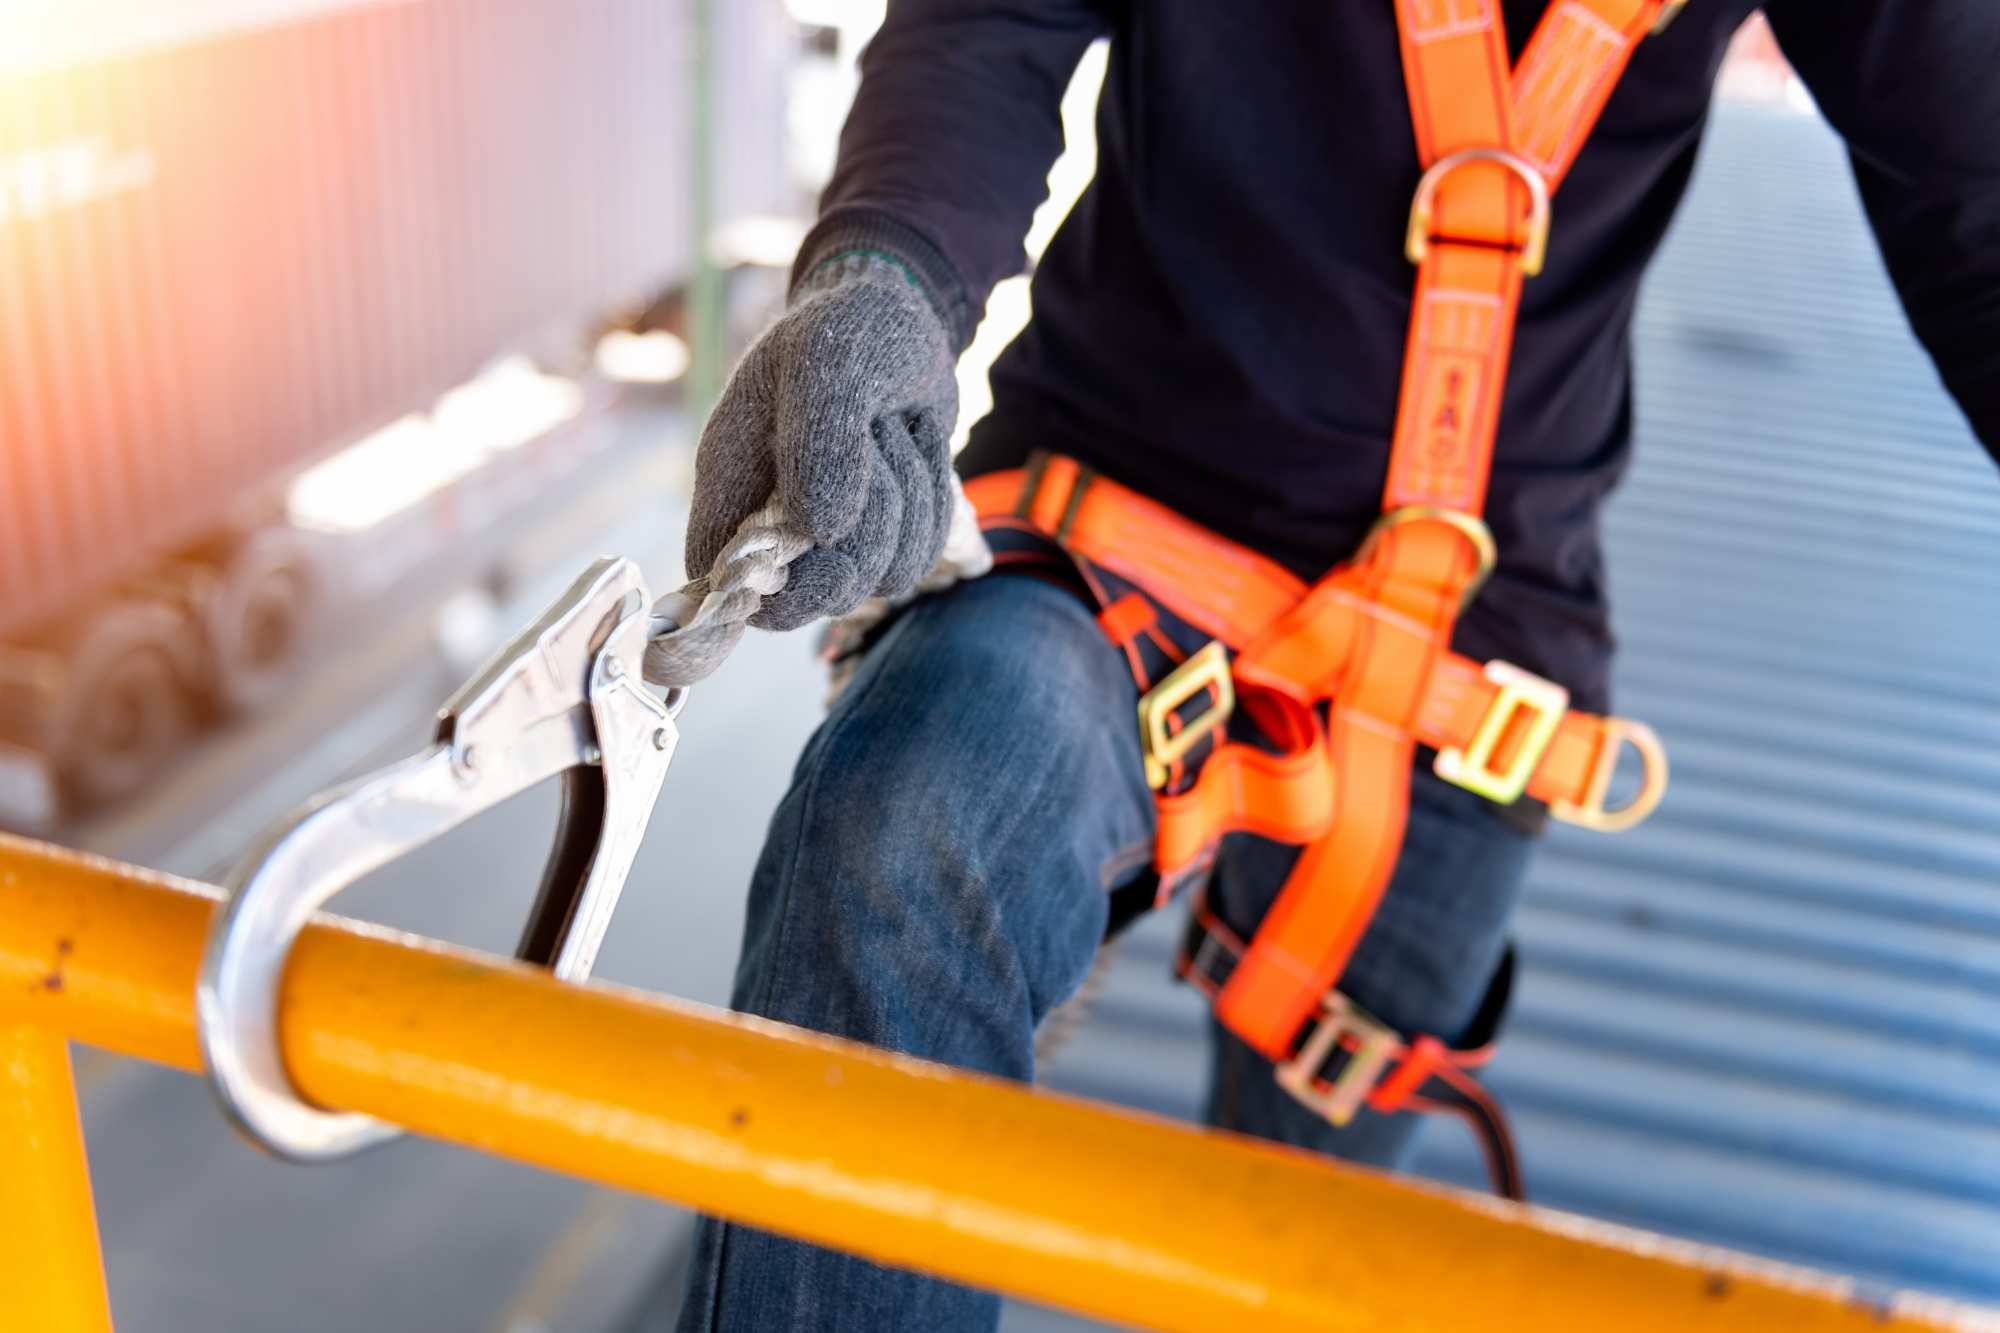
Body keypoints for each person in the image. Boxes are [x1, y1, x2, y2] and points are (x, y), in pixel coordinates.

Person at [665, 1, 2000, 1329]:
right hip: (1119, 505)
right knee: (907, 827)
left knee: (1304, 1265)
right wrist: (886, 281)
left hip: (1475, 649)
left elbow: (1977, 202)